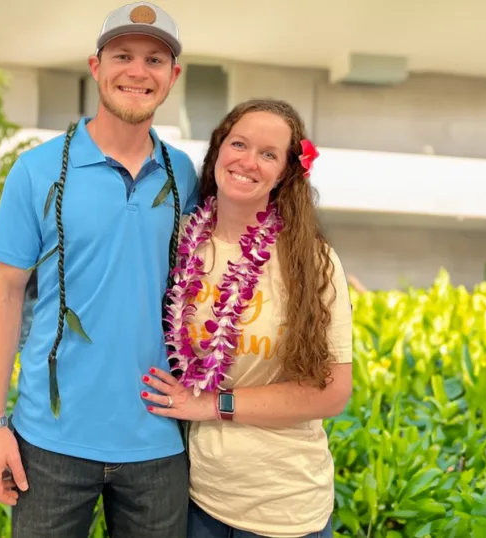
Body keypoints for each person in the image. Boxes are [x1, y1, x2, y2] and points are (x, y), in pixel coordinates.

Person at [0, 2, 200, 537]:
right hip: (49, 441)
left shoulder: (185, 175)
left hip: (159, 441)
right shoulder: (35, 170)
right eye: (122, 55)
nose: (138, 71)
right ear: (95, 66)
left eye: (154, 59)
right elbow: (4, 294)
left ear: (173, 76)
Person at [139, 99, 354, 538]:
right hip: (197, 502)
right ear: (218, 149)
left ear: (286, 173)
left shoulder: (312, 262)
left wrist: (212, 405)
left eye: (269, 154)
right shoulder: (180, 241)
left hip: (286, 511)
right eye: (239, 143)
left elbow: (331, 393)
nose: (248, 162)